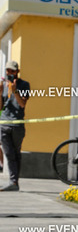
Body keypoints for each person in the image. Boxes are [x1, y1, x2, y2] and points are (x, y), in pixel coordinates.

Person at [0, 61, 30, 191]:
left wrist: (15, 90)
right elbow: (0, 107)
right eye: (8, 71)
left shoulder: (24, 85)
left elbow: (22, 104)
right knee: (9, 153)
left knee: (16, 153)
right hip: (4, 123)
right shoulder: (4, 85)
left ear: (17, 71)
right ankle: (13, 182)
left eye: (12, 71)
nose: (9, 73)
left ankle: (14, 182)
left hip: (17, 125)